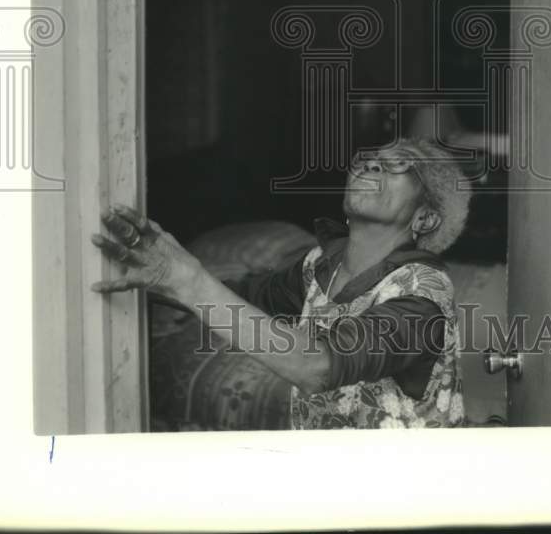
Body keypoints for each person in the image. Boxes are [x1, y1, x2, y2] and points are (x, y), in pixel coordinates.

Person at [92, 137, 471, 429]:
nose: (371, 162)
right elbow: (246, 297)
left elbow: (317, 366)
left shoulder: (423, 294)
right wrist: (160, 280)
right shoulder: (319, 266)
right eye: (369, 159)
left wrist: (188, 280)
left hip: (404, 492)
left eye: (399, 165)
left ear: (424, 220)